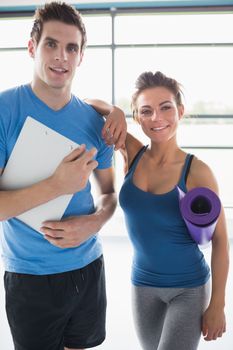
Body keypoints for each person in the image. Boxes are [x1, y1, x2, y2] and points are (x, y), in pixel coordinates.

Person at [0, 2, 117, 350]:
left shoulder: (97, 123)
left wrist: (95, 222)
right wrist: (56, 185)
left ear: (81, 56)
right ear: (32, 47)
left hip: (88, 267)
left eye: (71, 48)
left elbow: (110, 195)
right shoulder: (6, 111)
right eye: (51, 43)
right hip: (30, 276)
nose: (61, 56)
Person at [86, 71, 229, 350]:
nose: (157, 118)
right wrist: (113, 110)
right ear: (137, 118)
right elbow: (84, 104)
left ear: (181, 111)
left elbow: (221, 241)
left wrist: (218, 304)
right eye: (146, 111)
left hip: (189, 288)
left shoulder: (197, 172)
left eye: (166, 107)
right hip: (142, 286)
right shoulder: (132, 152)